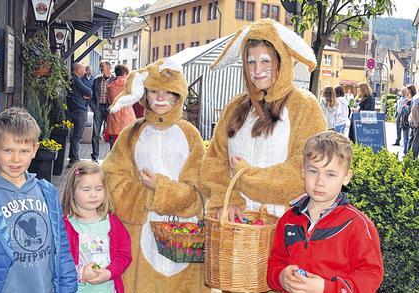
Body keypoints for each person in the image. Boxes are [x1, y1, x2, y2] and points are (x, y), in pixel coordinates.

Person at [201, 19, 327, 221]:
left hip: (284, 226)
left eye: (265, 61)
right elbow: (214, 161)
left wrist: (245, 177)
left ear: (281, 61)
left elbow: (304, 169)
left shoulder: (303, 105)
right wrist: (229, 199)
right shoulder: (235, 106)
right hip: (237, 226)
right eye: (251, 62)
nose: (257, 71)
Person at [103, 58, 207, 292]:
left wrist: (162, 189)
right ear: (145, 94)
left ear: (179, 95)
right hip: (138, 233)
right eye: (154, 92)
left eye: (168, 93)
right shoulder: (131, 133)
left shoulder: (190, 135)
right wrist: (145, 195)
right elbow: (112, 179)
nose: (160, 99)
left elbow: (200, 190)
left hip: (184, 236)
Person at [0, 107, 77, 292]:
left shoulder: (48, 193)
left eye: (24, 151)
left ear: (35, 149)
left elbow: (61, 249)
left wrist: (68, 287)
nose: (16, 159)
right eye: (7, 150)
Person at [267, 131, 384, 292]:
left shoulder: (357, 225)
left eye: (330, 174)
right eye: (313, 171)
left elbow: (371, 275)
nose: (320, 182)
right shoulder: (288, 220)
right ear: (303, 171)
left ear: (346, 177)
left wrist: (326, 288)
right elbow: (276, 261)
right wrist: (280, 277)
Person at [62, 161, 132, 293]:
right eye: (86, 189)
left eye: (98, 189)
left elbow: (124, 254)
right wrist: (81, 273)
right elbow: (59, 261)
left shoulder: (112, 222)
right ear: (72, 191)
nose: (93, 194)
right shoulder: (64, 226)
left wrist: (110, 272)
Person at [67, 62, 93, 167]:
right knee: (77, 136)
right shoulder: (76, 79)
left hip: (74, 109)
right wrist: (85, 95)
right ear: (78, 69)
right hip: (79, 110)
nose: (84, 71)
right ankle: (74, 159)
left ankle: (73, 157)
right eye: (83, 69)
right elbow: (89, 92)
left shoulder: (73, 79)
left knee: (75, 136)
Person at [106, 64, 136, 148]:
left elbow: (108, 100)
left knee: (114, 144)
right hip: (127, 116)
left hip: (114, 116)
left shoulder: (109, 86)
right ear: (125, 73)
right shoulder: (128, 85)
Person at [90, 60, 115, 162]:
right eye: (100, 67)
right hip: (98, 108)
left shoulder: (114, 80)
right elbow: (91, 94)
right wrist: (93, 107)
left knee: (112, 133)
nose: (100, 68)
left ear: (109, 68)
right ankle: (95, 156)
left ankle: (112, 157)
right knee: (96, 133)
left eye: (102, 67)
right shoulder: (97, 80)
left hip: (110, 109)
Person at [402, 85, 416, 155]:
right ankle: (406, 153)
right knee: (408, 138)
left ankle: (408, 154)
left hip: (411, 121)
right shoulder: (409, 99)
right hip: (407, 121)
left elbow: (411, 110)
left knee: (410, 139)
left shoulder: (414, 99)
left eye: (407, 90)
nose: (406, 92)